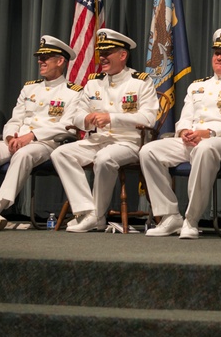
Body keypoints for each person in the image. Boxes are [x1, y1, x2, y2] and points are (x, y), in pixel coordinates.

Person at [139, 28, 221, 239]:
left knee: (205, 148)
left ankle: (191, 219)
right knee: (148, 151)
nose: (219, 58)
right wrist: (184, 130)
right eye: (217, 53)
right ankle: (169, 216)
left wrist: (210, 132)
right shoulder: (197, 86)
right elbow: (186, 116)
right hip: (192, 140)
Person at [0, 36, 85, 232]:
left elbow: (67, 126)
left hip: (46, 143)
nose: (40, 61)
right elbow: (14, 119)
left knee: (22, 155)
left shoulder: (74, 92)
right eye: (40, 57)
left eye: (46, 57)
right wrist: (11, 136)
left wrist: (32, 136)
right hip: (18, 139)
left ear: (60, 61)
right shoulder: (30, 87)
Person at [50, 29, 159, 232]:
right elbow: (76, 116)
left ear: (123, 55)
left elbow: (149, 118)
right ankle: (88, 211)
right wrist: (87, 119)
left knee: (104, 158)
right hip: (97, 140)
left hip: (128, 142)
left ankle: (97, 215)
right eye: (101, 53)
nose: (103, 58)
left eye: (108, 53)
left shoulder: (140, 81)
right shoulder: (93, 83)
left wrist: (112, 118)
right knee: (60, 153)